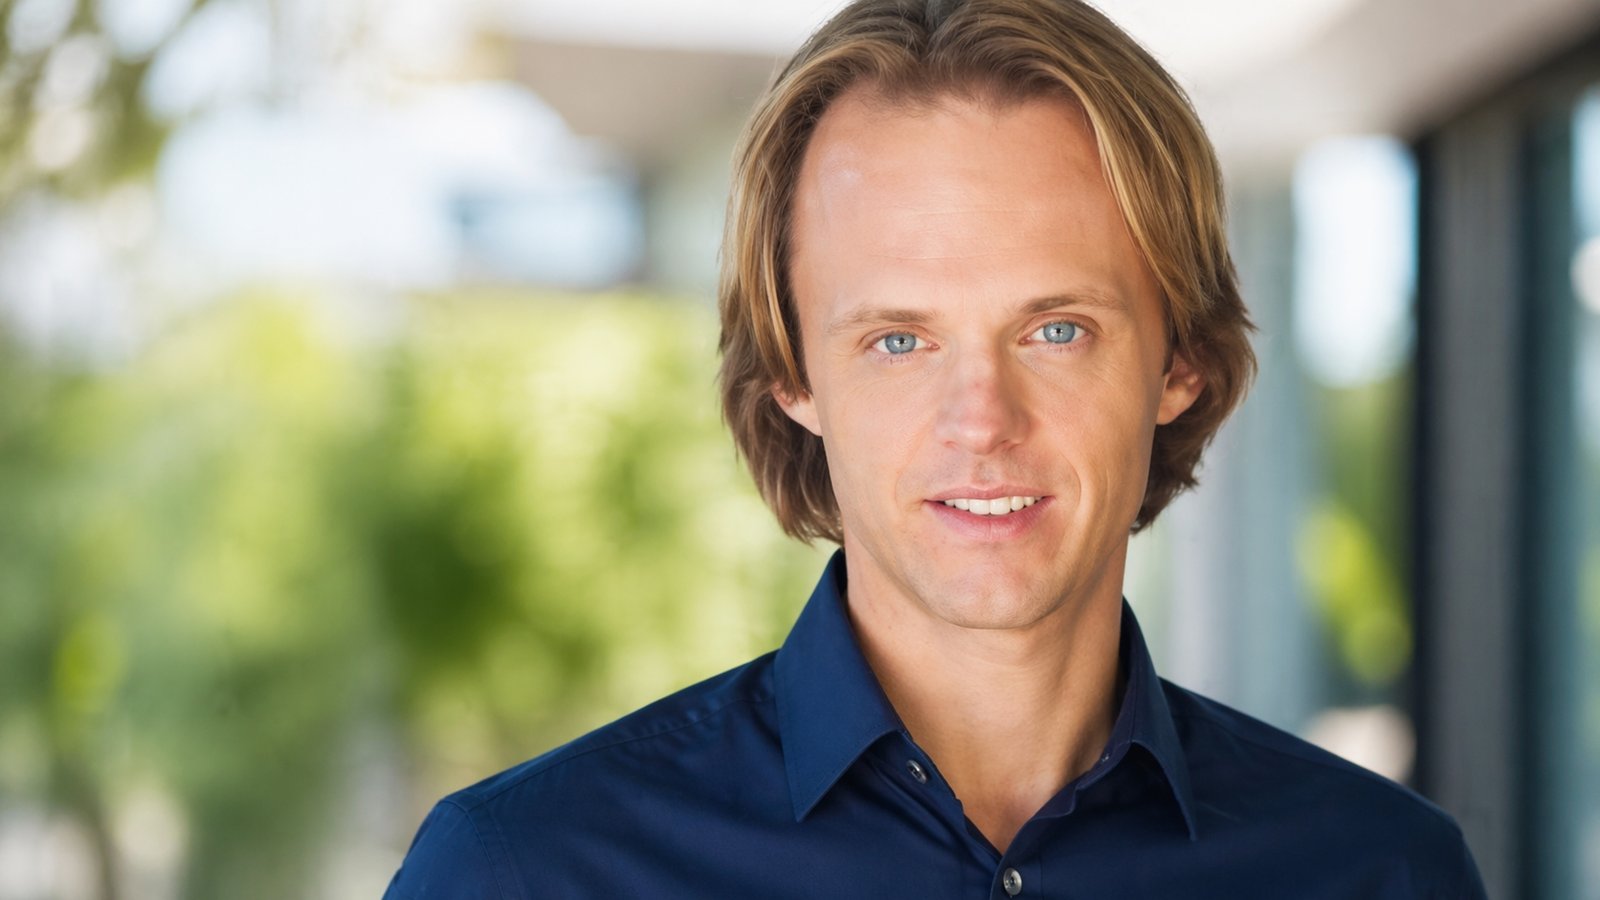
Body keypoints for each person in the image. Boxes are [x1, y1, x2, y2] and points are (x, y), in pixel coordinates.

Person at [385, 0, 1489, 896]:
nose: (981, 418)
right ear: (793, 376)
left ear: (1179, 362)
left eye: (1055, 329)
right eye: (898, 339)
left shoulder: (1379, 872)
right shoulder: (525, 873)